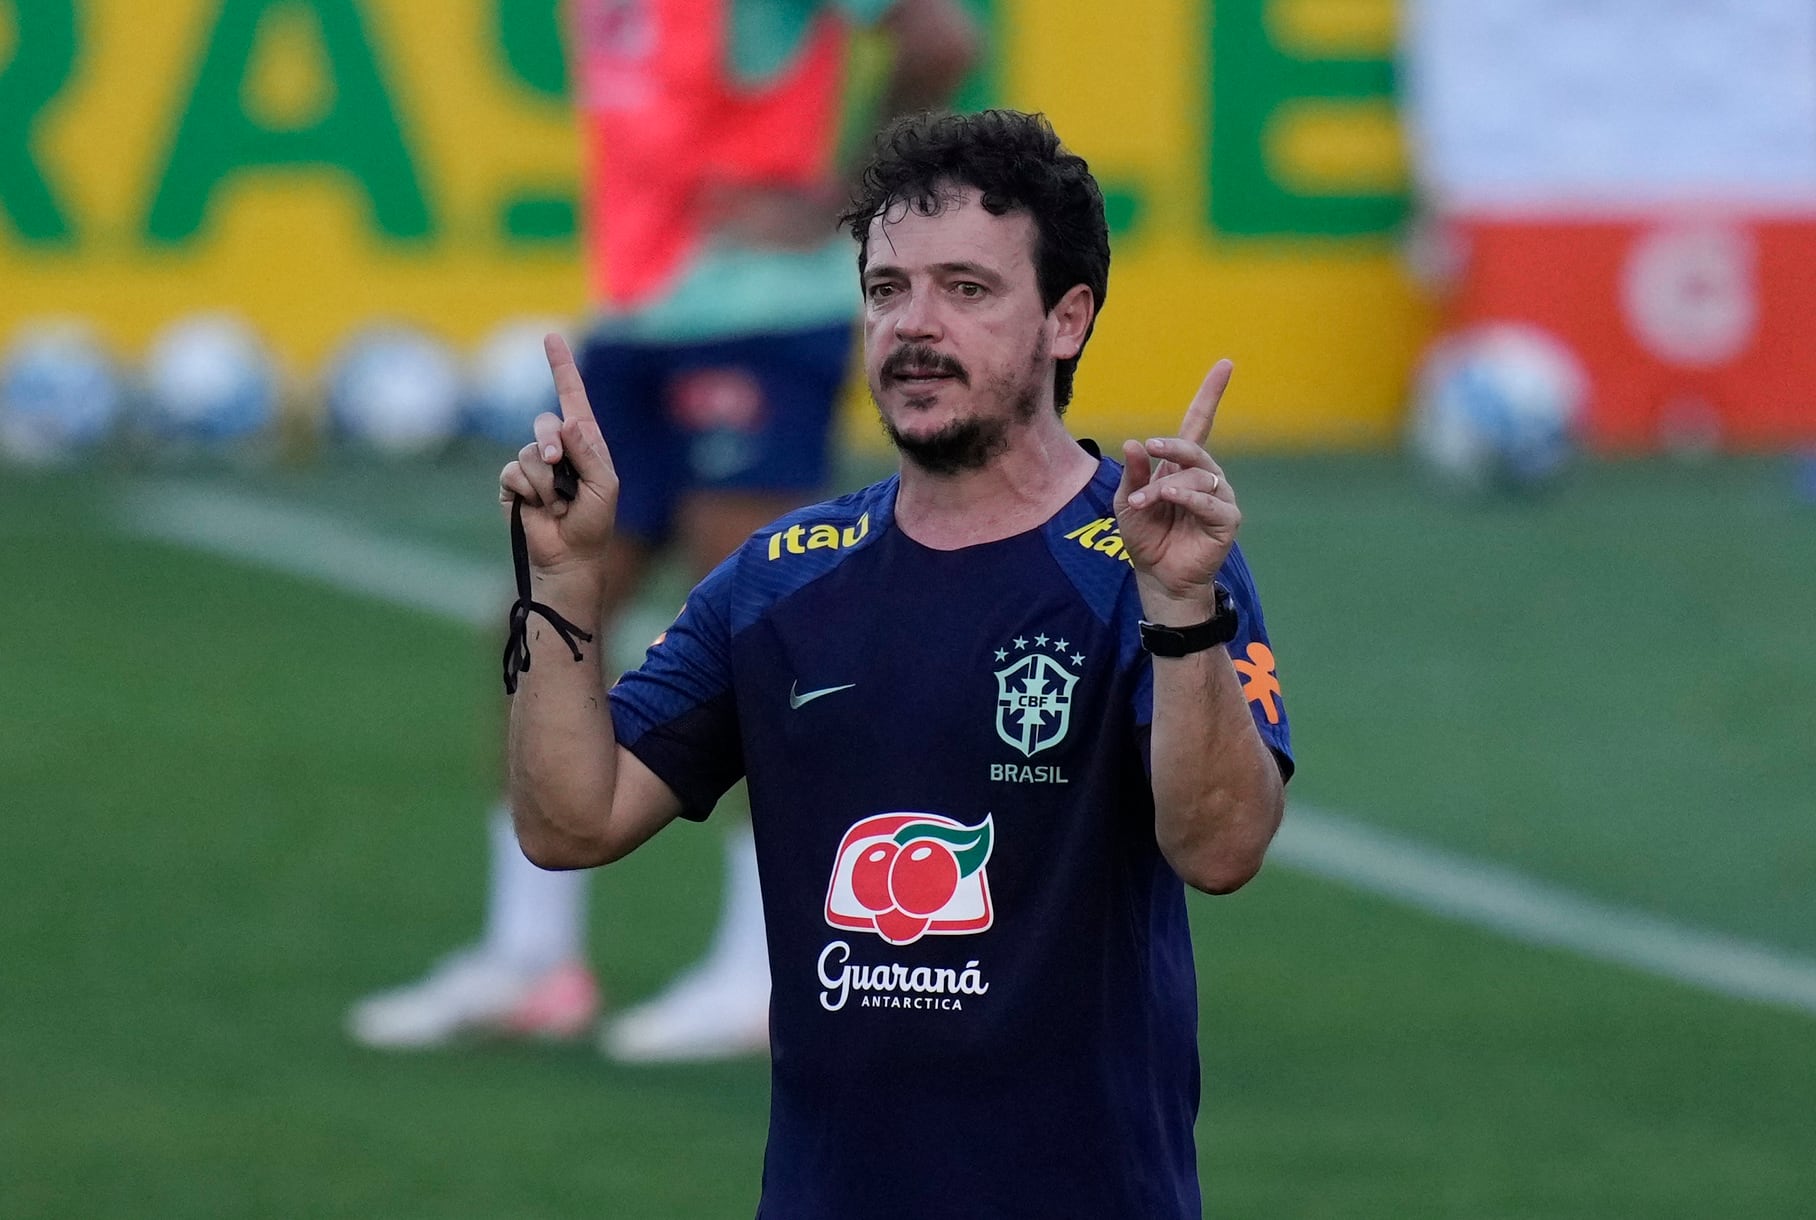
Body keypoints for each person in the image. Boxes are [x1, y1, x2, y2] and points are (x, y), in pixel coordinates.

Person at [501, 109, 1293, 1215]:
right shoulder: (780, 577)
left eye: (966, 290)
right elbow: (569, 822)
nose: (915, 326)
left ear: (1065, 320)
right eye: (887, 290)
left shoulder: (1146, 560)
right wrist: (562, 579)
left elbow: (1220, 848)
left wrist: (1180, 610)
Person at [346, 0, 978, 1060]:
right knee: (540, 616)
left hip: (759, 317)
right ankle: (531, 954)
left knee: (764, 640)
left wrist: (849, 198)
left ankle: (770, 969)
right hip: (639, 316)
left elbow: (940, 36)